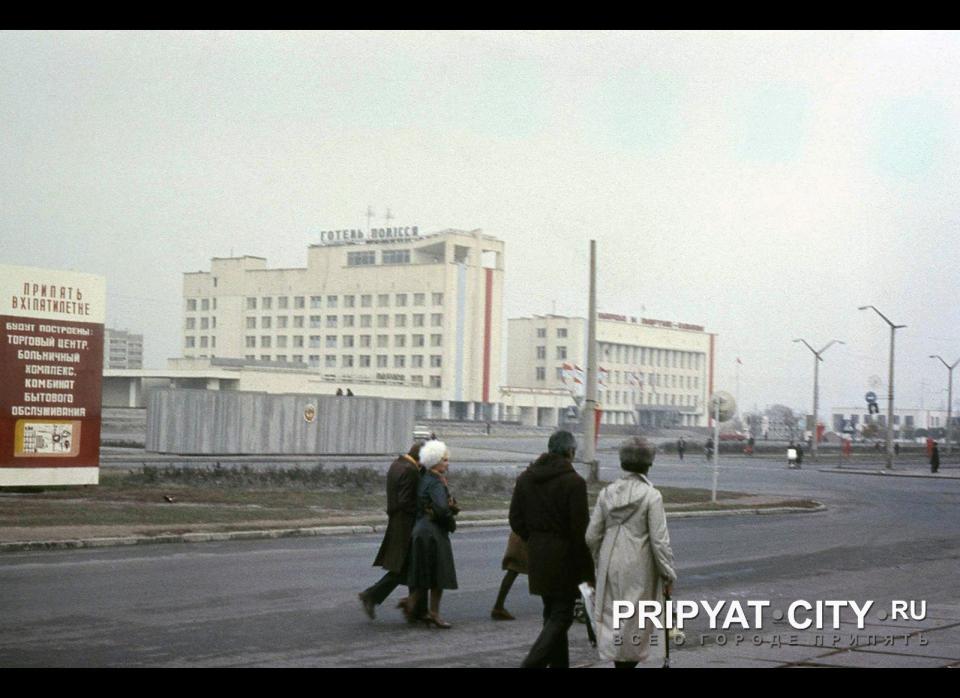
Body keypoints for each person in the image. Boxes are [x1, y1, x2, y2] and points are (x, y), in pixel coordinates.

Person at [586, 437, 677, 668]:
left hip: (609, 563)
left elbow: (591, 536)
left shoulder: (606, 494)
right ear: (649, 464)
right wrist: (668, 573)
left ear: (622, 462)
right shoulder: (651, 496)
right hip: (639, 566)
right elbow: (659, 541)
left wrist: (599, 558)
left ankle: (619, 664)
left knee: (613, 620)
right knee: (635, 624)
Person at [509, 430, 595, 668]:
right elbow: (580, 532)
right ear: (570, 451)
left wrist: (535, 538)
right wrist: (588, 573)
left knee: (551, 614)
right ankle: (531, 664)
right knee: (562, 616)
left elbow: (515, 519)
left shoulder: (526, 478)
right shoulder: (574, 482)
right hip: (565, 558)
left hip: (538, 554)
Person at [358, 443, 425, 621]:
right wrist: (422, 510)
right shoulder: (411, 470)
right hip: (406, 525)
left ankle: (414, 610)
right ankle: (371, 595)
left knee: (410, 567)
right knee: (405, 567)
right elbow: (405, 501)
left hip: (397, 523)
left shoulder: (398, 464)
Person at [406, 440, 459, 628]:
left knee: (425, 573)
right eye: (444, 460)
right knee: (439, 575)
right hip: (434, 532)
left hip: (421, 529)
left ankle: (412, 603)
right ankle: (434, 613)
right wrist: (452, 515)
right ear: (435, 461)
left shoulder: (425, 478)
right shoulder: (436, 482)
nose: (447, 463)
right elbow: (442, 509)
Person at [491, 531, 528, 620]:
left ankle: (498, 606)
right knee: (514, 569)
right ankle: (498, 607)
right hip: (526, 537)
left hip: (520, 536)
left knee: (513, 569)